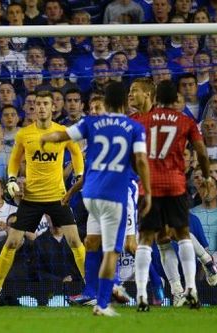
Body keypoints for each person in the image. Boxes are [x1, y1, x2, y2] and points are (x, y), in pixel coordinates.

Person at [40, 81, 151, 316]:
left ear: (107, 104)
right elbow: (141, 160)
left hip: (120, 193)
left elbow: (62, 135)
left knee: (124, 247)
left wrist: (44, 137)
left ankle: (151, 287)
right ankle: (94, 293)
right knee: (92, 242)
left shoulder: (97, 125)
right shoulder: (132, 127)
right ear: (123, 101)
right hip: (97, 195)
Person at [0, 90, 86, 307]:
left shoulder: (63, 131)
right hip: (31, 198)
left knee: (75, 242)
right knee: (11, 243)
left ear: (53, 107)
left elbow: (75, 153)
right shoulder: (24, 134)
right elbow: (15, 159)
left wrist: (80, 174)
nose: (43, 107)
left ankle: (91, 290)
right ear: (34, 108)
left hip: (58, 197)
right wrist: (10, 178)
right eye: (39, 104)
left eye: (46, 103)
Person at [134, 80, 212, 311]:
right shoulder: (186, 121)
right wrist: (206, 177)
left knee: (147, 240)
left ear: (156, 97)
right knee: (183, 235)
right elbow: (201, 152)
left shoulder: (142, 120)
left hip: (149, 186)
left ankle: (140, 296)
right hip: (175, 185)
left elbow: (132, 152)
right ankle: (192, 291)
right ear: (177, 98)